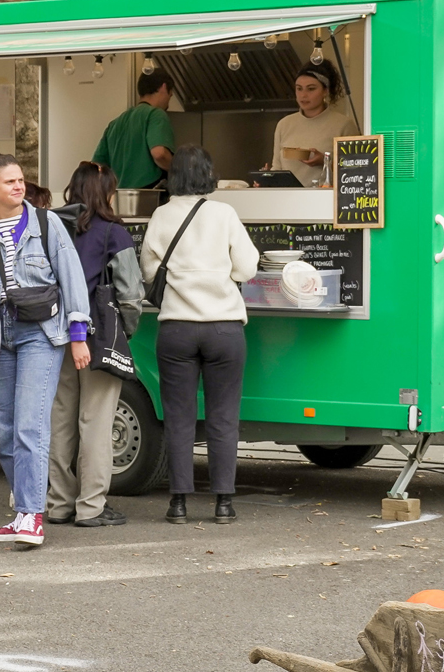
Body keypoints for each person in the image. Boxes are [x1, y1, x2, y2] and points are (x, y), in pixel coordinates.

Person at [0, 152, 92, 547]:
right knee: (5, 429)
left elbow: (72, 278)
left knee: (31, 425)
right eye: (9, 181)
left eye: (21, 180)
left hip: (41, 334)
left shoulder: (48, 224)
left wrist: (79, 335)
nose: (19, 186)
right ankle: (22, 512)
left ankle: (32, 515)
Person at [140, 145, 259, 525]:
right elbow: (247, 268)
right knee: (223, 417)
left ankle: (178, 503)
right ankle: (223, 503)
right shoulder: (224, 213)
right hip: (223, 328)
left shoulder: (161, 214)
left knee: (179, 417)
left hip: (176, 328)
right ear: (209, 174)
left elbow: (147, 271)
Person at [47, 162, 143, 527]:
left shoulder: (52, 227)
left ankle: (58, 503)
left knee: (60, 421)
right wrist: (124, 332)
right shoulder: (113, 233)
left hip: (56, 336)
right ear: (106, 193)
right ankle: (91, 506)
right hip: (97, 337)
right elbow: (131, 295)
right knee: (96, 421)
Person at [268, 58, 359, 188]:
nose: (303, 95)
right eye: (299, 89)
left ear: (325, 91)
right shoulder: (284, 124)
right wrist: (266, 179)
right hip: (287, 202)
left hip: (325, 202)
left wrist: (325, 161)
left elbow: (357, 171)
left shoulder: (343, 125)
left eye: (311, 89)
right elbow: (276, 168)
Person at [93, 68, 177, 189]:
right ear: (163, 87)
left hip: (120, 199)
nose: (169, 99)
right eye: (170, 94)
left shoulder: (115, 123)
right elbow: (159, 154)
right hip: (149, 197)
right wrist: (181, 172)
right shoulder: (155, 114)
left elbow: (96, 166)